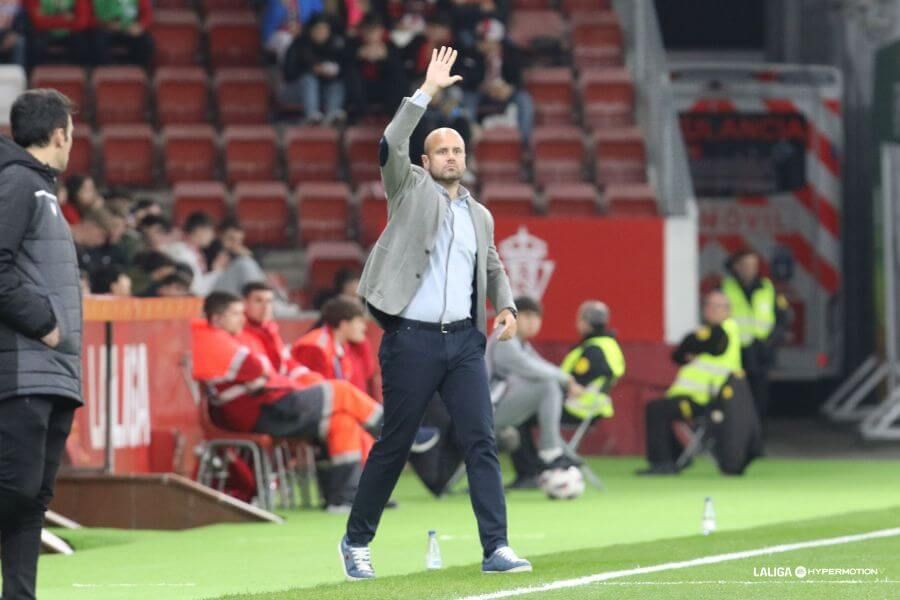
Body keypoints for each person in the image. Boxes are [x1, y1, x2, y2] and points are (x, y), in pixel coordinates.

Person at [339, 46, 531, 581]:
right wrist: (428, 90)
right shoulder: (407, 189)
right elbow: (391, 140)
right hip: (411, 339)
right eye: (441, 150)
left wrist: (507, 305)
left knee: (481, 441)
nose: (450, 156)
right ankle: (356, 541)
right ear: (424, 162)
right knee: (395, 443)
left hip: (464, 342)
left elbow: (491, 265)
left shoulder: (480, 214)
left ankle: (497, 547)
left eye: (457, 150)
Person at [193, 292, 435, 510]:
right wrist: (275, 377)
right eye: (236, 313)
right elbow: (259, 367)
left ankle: (343, 498)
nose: (242, 318)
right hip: (259, 409)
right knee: (341, 392)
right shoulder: (215, 339)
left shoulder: (255, 334)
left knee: (342, 422)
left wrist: (279, 378)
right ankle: (401, 433)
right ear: (217, 318)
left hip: (267, 402)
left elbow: (277, 369)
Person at [0, 89, 80, 600]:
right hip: (24, 369)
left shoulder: (39, 190)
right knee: (17, 490)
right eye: (71, 132)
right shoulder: (19, 183)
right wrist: (44, 322)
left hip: (51, 372)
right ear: (58, 134)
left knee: (31, 502)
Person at [506, 300, 625, 489]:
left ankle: (530, 472)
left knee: (519, 416)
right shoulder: (610, 345)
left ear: (585, 322)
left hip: (575, 407)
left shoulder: (593, 350)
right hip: (591, 407)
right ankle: (543, 463)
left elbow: (574, 384)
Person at [636, 291, 742, 476]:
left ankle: (662, 463)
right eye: (709, 305)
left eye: (718, 306)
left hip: (705, 400)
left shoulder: (725, 330)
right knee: (657, 408)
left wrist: (693, 347)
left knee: (657, 410)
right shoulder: (708, 332)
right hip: (690, 397)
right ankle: (677, 458)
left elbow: (698, 344)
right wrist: (692, 347)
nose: (712, 310)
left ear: (728, 311)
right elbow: (678, 354)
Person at [487, 296, 583, 481]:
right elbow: (528, 366)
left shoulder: (521, 343)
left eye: (536, 317)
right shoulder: (504, 337)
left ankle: (555, 452)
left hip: (499, 406)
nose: (533, 321)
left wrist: (565, 380)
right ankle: (551, 452)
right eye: (527, 316)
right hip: (486, 410)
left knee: (547, 386)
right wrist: (567, 380)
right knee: (547, 387)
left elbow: (540, 365)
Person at [720, 249, 789, 426]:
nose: (750, 269)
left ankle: (757, 432)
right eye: (746, 265)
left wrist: (771, 340)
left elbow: (782, 318)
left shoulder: (767, 288)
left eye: (753, 265)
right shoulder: (725, 288)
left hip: (760, 351)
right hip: (735, 352)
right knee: (735, 396)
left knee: (759, 396)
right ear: (736, 267)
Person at [457, 18, 534, 145]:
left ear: (496, 41)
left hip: (504, 91)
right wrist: (483, 86)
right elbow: (466, 79)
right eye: (479, 39)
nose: (480, 43)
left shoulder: (511, 53)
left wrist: (509, 88)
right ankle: (467, 141)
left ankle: (525, 144)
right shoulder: (472, 53)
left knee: (525, 100)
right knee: (467, 101)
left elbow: (518, 79)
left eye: (484, 40)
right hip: (480, 91)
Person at [282, 14, 347, 124]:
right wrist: (312, 70)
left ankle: (332, 115)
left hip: (322, 92)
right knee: (309, 80)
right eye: (318, 29)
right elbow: (289, 74)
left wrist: (330, 73)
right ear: (311, 30)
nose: (322, 32)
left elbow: (344, 70)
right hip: (295, 91)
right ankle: (312, 117)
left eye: (325, 29)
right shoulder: (298, 45)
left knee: (337, 84)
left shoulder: (334, 45)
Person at [292, 296, 367, 387]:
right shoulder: (316, 347)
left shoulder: (342, 346)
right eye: (359, 322)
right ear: (344, 324)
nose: (364, 327)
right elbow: (311, 388)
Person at [346, 13, 408, 119]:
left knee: (398, 75)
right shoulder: (353, 44)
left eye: (374, 31)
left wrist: (386, 57)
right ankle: (360, 113)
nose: (371, 35)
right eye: (367, 30)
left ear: (381, 31)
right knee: (351, 73)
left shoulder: (390, 45)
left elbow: (400, 66)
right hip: (361, 87)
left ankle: (393, 112)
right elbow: (344, 61)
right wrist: (358, 54)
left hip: (383, 87)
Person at [165, 211, 228, 296]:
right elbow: (195, 289)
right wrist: (217, 271)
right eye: (211, 231)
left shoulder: (195, 251)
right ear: (199, 230)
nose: (213, 236)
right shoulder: (180, 251)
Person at [90, 0, 154, 67]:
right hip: (107, 29)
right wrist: (107, 24)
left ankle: (137, 69)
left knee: (146, 41)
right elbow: (98, 14)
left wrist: (140, 26)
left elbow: (147, 14)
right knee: (97, 40)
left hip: (131, 29)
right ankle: (106, 68)